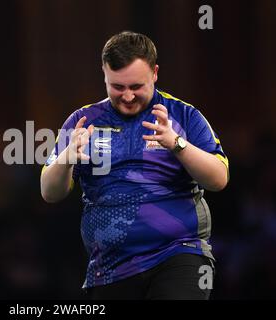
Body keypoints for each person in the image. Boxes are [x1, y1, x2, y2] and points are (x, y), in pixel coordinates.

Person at [40, 31, 229, 300]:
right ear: (104, 74)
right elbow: (49, 192)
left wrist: (177, 144)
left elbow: (218, 179)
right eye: (117, 87)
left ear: (155, 73)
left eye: (136, 87)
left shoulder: (184, 115)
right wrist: (67, 157)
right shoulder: (82, 121)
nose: (127, 97)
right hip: (110, 266)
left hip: (179, 252)